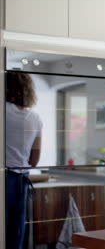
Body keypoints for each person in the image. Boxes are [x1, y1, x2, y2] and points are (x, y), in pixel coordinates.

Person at [5, 72, 43, 249]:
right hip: (22, 179)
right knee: (16, 230)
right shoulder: (35, 118)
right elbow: (34, 160)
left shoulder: (3, 110)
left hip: (4, 178)